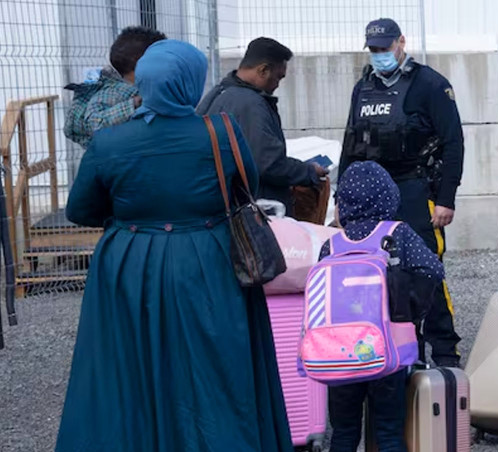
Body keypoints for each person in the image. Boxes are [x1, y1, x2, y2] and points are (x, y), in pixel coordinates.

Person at [34, 40, 305, 452]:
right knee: (217, 388)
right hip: (208, 265)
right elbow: (245, 187)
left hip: (129, 268)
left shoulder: (111, 141)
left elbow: (81, 211)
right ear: (189, 81)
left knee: (122, 388)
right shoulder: (220, 132)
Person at [322, 161, 443, 452]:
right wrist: (408, 307)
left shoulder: (332, 242)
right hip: (386, 353)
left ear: (342, 203)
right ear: (389, 197)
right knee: (390, 434)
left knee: (343, 434)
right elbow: (432, 272)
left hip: (339, 355)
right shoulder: (397, 234)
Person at [339, 18, 464, 368]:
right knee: (377, 274)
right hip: (371, 195)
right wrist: (341, 196)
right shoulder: (363, 86)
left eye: (385, 47)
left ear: (401, 42)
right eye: (374, 49)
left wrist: (445, 199)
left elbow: (454, 143)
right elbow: (350, 143)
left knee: (426, 272)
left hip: (414, 189)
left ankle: (445, 355)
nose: (380, 55)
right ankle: (402, 354)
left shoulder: (430, 85)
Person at [197, 37, 326, 215]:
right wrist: (308, 172)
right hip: (256, 211)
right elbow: (268, 164)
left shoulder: (218, 93)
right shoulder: (250, 104)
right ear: (263, 70)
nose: (277, 85)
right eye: (278, 77)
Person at [64, 26, 167, 148]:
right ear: (141, 63)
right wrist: (133, 104)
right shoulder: (112, 91)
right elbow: (94, 124)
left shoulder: (134, 86)